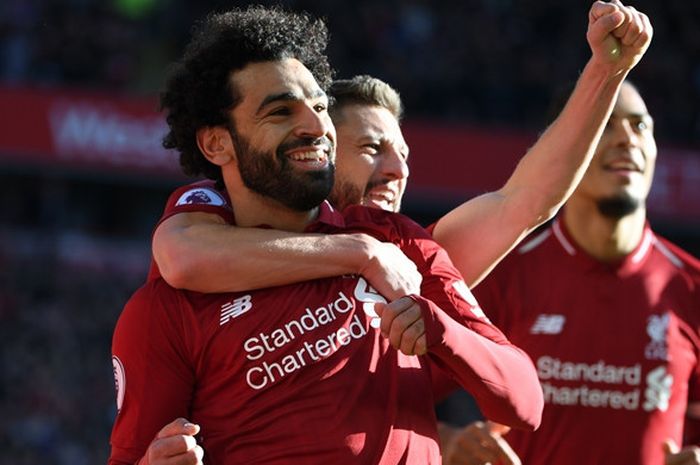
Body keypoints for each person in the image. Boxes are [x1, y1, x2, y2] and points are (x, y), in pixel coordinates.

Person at [142, 1, 652, 463]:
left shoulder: (406, 250)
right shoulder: (211, 240)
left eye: (404, 154)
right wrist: (360, 252)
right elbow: (181, 252)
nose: (397, 170)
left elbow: (523, 204)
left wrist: (605, 73)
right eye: (372, 148)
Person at [441, 80, 700, 465]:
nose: (627, 138)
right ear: (565, 145)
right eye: (606, 124)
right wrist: (448, 444)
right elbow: (395, 395)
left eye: (640, 125)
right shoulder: (500, 274)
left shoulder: (692, 287)